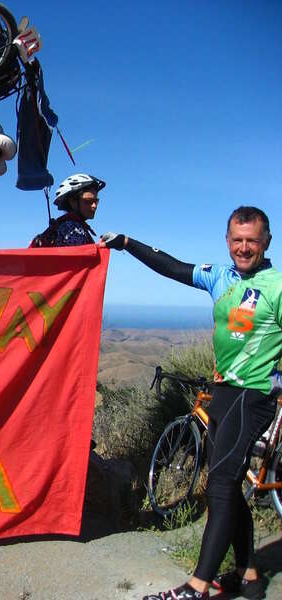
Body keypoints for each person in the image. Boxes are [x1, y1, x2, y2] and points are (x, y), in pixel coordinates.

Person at [101, 206, 278, 600]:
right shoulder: (221, 276)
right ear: (227, 240)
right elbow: (173, 267)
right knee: (229, 488)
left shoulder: (278, 285)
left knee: (219, 485)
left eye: (252, 240)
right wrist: (128, 244)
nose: (244, 247)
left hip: (253, 396)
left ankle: (198, 585)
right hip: (224, 393)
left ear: (267, 241)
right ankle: (249, 576)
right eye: (237, 240)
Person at [30, 173, 104, 247]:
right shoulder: (73, 229)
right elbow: (79, 258)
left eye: (96, 201)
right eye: (88, 201)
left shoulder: (64, 225)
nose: (94, 206)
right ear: (73, 202)